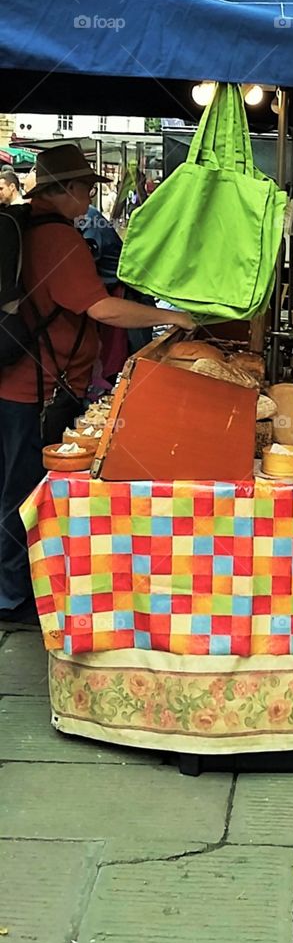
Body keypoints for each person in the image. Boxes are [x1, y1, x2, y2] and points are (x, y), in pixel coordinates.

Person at [0, 144, 193, 625]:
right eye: (84, 187)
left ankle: (16, 587)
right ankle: (12, 596)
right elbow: (99, 308)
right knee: (21, 493)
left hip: (29, 382)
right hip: (33, 389)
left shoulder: (30, 226)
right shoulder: (58, 239)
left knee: (16, 487)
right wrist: (172, 316)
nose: (89, 196)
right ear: (61, 189)